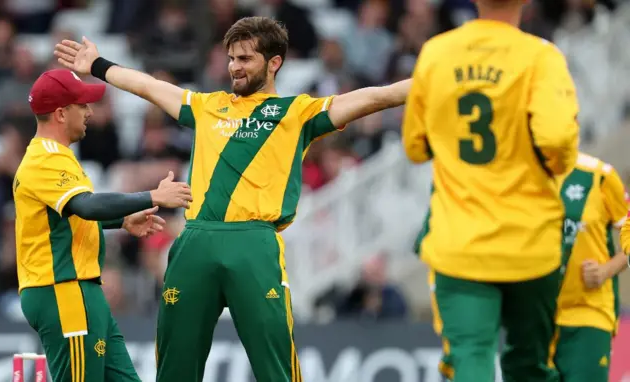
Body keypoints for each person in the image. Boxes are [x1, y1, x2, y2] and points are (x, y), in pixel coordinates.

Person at [53, 16, 410, 382]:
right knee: (175, 368)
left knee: (277, 369)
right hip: (196, 241)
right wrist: (97, 65)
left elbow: (374, 97)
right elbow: (148, 86)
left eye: (245, 59)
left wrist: (430, 81)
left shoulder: (297, 112)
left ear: (274, 63)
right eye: (231, 58)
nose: (234, 68)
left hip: (253, 244)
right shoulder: (207, 106)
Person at [401, 0, 580, 380]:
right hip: (531, 244)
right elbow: (558, 140)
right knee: (530, 365)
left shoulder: (437, 52)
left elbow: (415, 146)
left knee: (470, 360)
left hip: (460, 244)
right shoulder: (541, 57)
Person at [15, 69, 193, 382]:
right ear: (60, 113)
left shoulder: (58, 156)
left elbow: (72, 214)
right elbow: (86, 205)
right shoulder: (44, 160)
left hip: (79, 289)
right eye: (81, 104)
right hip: (63, 290)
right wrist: (152, 195)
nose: (89, 111)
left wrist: (122, 219)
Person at [552, 153, 628, 382]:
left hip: (587, 311)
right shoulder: (524, 175)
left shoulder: (599, 175)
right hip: (535, 316)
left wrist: (606, 270)